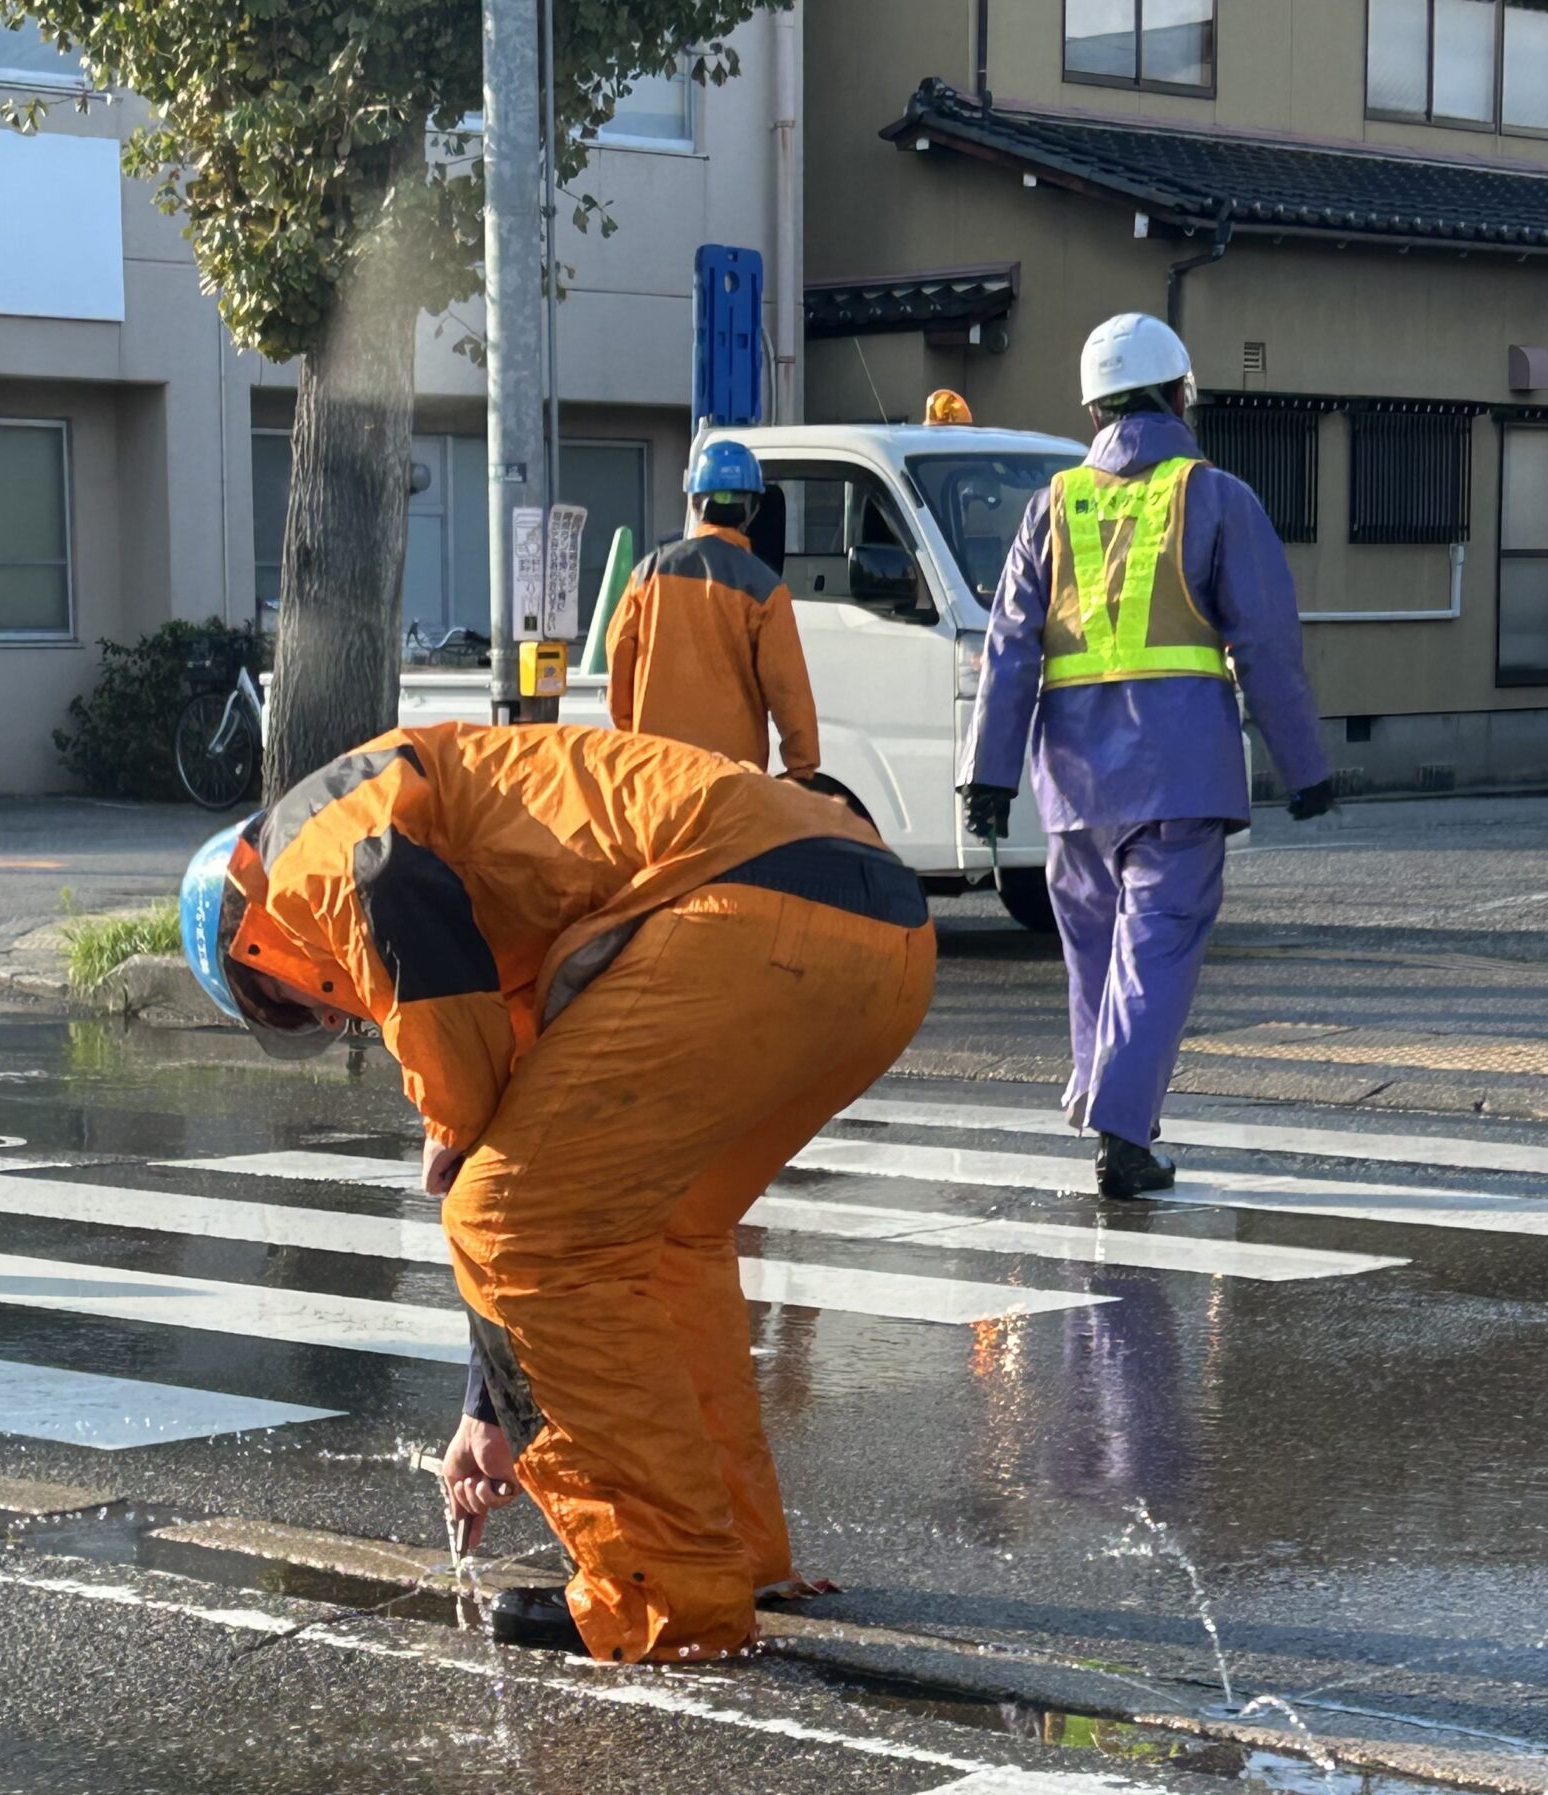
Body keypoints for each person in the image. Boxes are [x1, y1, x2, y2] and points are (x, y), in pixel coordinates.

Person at [180, 722, 935, 1663]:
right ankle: (732, 1552)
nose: (333, 1020)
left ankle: (663, 1592)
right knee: (653, 1236)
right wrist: (485, 1415)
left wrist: (453, 1123)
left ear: (257, 958)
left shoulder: (307, 858)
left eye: (300, 1009)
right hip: (882, 929)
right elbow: (535, 1177)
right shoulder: (472, 859)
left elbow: (395, 892)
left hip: (739, 913)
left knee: (511, 1223)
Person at [957, 312, 1333, 1201]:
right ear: (1177, 396)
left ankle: (1105, 1102)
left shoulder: (1051, 505)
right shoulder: (1214, 495)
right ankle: (1121, 1136)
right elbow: (1267, 644)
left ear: (1093, 409)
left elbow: (1009, 647)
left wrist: (987, 777)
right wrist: (1306, 765)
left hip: (1074, 786)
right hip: (1178, 773)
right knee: (1156, 951)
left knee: (1096, 956)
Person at [607, 439, 820, 783]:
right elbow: (789, 689)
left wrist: (632, 733)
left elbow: (618, 655)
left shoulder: (648, 574)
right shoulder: (765, 588)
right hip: (732, 779)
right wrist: (802, 766)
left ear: (695, 502)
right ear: (751, 508)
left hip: (657, 770)